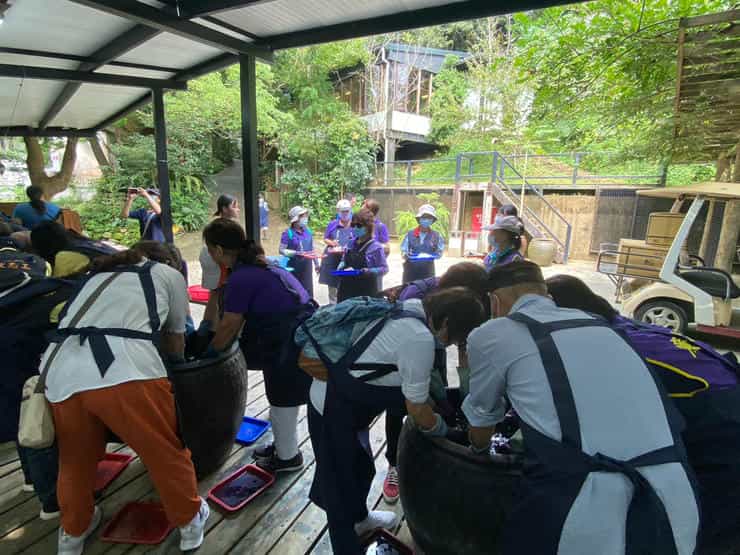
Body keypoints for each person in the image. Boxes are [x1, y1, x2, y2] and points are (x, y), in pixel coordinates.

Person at [464, 261, 699, 555]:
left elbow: (482, 422)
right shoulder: (599, 323)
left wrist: (477, 450)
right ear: (546, 294)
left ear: (494, 301)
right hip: (675, 503)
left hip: (587, 509)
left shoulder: (492, 334)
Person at [547, 274, 740, 550]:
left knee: (701, 536)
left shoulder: (611, 347)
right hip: (721, 411)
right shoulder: (627, 327)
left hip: (725, 437)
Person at [41, 244, 209, 555]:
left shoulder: (95, 275)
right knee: (164, 451)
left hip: (61, 371)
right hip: (126, 371)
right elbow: (176, 336)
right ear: (170, 262)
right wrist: (177, 372)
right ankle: (189, 523)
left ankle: (73, 534)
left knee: (75, 460)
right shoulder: (168, 274)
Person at [298, 287, 487, 554]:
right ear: (446, 322)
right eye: (457, 338)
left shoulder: (412, 308)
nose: (452, 345)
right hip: (330, 407)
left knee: (362, 468)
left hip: (350, 407)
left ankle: (361, 520)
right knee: (339, 486)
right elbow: (417, 409)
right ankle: (345, 547)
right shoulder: (419, 339)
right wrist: (448, 432)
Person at [204, 218, 316, 474]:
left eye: (209, 249)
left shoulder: (242, 276)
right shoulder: (262, 265)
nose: (210, 255)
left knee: (282, 397)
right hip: (296, 334)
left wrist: (210, 355)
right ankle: (284, 446)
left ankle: (288, 458)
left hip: (287, 338)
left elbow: (230, 325)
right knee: (283, 395)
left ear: (218, 250)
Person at [381, 261, 489, 504]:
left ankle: (435, 455)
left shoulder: (461, 307)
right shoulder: (416, 299)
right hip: (399, 357)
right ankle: (395, 463)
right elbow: (418, 381)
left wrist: (465, 397)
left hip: (433, 335)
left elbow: (463, 345)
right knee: (402, 402)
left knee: (439, 397)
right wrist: (447, 430)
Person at [199, 194, 241, 326]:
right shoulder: (223, 227)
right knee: (218, 295)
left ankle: (206, 326)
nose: (238, 209)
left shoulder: (218, 225)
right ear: (224, 208)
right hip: (217, 263)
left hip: (214, 260)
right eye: (234, 206)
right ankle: (214, 328)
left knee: (215, 295)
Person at [336, 209, 388, 302]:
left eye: (359, 225)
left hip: (365, 293)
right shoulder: (350, 243)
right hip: (346, 291)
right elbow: (344, 260)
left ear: (368, 227)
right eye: (353, 225)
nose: (355, 228)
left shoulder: (376, 247)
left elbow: (384, 269)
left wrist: (368, 271)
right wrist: (341, 266)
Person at [319, 199, 354, 304]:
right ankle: (333, 306)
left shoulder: (355, 224)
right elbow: (325, 238)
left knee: (348, 285)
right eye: (343, 211)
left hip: (348, 260)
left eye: (347, 211)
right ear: (338, 211)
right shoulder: (332, 224)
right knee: (333, 285)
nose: (345, 214)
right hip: (333, 259)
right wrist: (332, 243)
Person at [280, 206, 318, 298]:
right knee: (295, 292)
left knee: (308, 291)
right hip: (294, 268)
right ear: (295, 219)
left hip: (307, 267)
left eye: (305, 216)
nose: (305, 218)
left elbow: (311, 248)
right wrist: (297, 253)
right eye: (302, 216)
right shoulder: (288, 233)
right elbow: (281, 250)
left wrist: (316, 263)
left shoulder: (308, 231)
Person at [400, 204, 444, 283]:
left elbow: (439, 253)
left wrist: (434, 255)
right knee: (409, 289)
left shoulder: (437, 236)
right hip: (411, 271)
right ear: (419, 219)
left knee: (427, 290)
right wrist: (406, 255)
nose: (426, 220)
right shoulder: (410, 234)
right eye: (424, 217)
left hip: (428, 271)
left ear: (432, 220)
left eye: (429, 218)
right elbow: (403, 251)